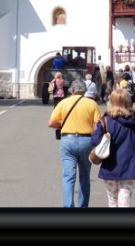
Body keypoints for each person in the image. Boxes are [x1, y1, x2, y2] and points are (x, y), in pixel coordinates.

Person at [91, 88, 135, 207]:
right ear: (128, 101)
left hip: (109, 167)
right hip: (130, 166)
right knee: (125, 201)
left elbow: (94, 141)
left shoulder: (105, 121)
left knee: (112, 200)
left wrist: (99, 131)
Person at [47, 79, 102, 208]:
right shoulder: (91, 104)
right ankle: (82, 207)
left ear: (71, 90)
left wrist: (62, 125)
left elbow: (51, 123)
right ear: (84, 91)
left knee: (68, 176)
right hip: (86, 141)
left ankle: (68, 206)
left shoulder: (63, 103)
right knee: (84, 177)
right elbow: (98, 125)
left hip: (68, 140)